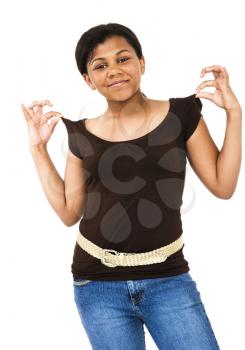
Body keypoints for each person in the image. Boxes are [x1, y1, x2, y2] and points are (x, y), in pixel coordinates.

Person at [21, 22, 242, 350]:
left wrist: (234, 114)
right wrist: (38, 150)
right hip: (97, 286)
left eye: (122, 59)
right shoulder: (80, 134)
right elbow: (69, 212)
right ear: (88, 80)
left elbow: (223, 185)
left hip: (169, 279)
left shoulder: (182, 114)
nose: (113, 70)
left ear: (142, 63)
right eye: (100, 65)